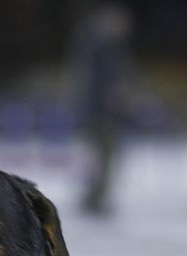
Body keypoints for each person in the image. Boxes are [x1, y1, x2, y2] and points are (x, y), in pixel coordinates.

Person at [71, 2, 134, 214]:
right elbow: (96, 83)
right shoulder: (98, 47)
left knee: (103, 156)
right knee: (100, 156)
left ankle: (96, 197)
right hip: (98, 114)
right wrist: (113, 95)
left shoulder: (106, 46)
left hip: (103, 114)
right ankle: (93, 198)